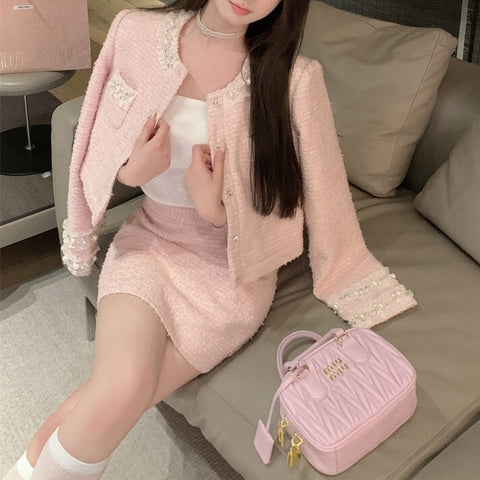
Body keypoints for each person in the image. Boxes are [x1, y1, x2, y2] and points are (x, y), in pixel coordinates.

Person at [4, 1, 417, 479]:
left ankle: (27, 467)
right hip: (150, 242)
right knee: (122, 385)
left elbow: (313, 197)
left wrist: (216, 212)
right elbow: (97, 139)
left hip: (231, 276)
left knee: (116, 394)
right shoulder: (135, 33)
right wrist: (132, 172)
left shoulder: (294, 79)